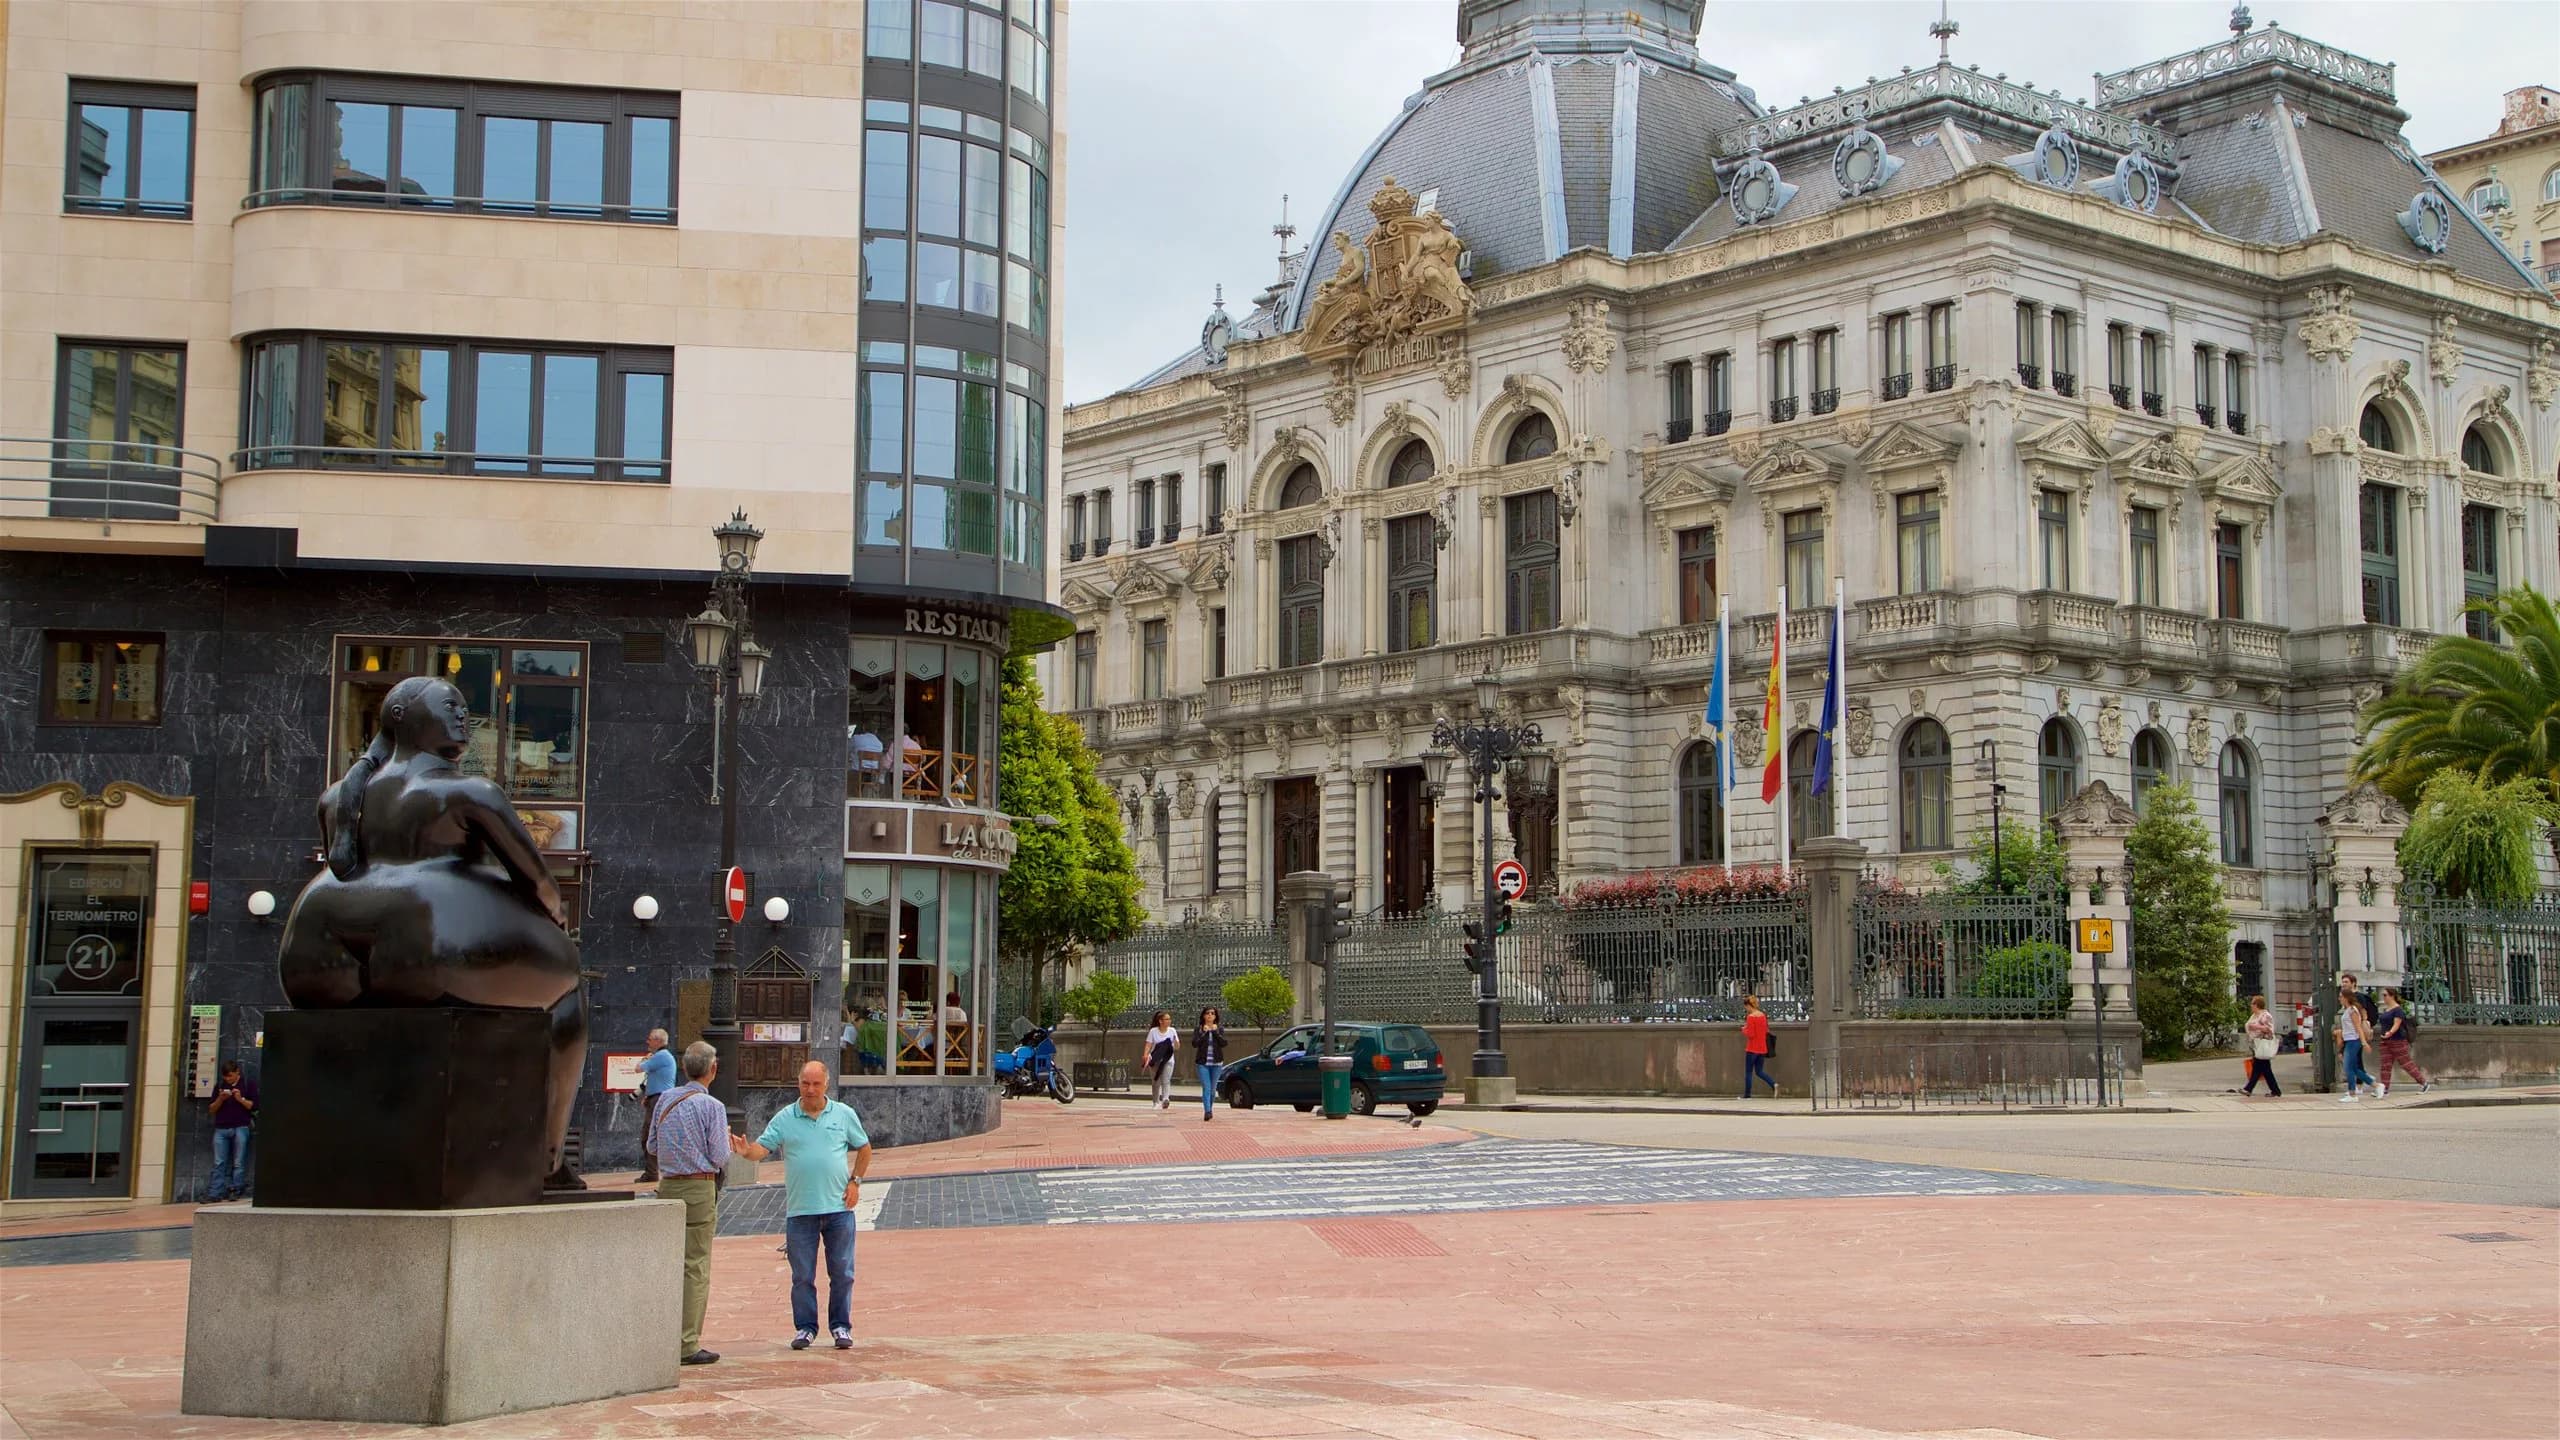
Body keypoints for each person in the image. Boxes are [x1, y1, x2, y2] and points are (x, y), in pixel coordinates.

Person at [731, 1061, 872, 1352]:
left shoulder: (844, 1114)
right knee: (802, 1276)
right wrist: (746, 1152)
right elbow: (762, 1147)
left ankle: (840, 1326)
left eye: (816, 1084)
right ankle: (806, 1328)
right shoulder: (785, 1117)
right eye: (805, 1084)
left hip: (838, 1209)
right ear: (798, 1084)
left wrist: (855, 1182)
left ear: (826, 1085)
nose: (810, 1090)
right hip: (801, 1211)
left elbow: (864, 1147)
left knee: (843, 1271)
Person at [650, 1041, 729, 1366]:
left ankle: (661, 1335)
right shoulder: (712, 1107)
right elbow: (720, 1156)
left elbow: (652, 1145)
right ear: (713, 1069)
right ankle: (686, 1343)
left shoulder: (665, 1100)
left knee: (668, 1261)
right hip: (699, 1188)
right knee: (695, 1265)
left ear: (683, 1069)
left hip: (667, 1186)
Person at [206, 1061, 258, 1202]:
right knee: (219, 1162)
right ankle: (215, 1192)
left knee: (238, 1161)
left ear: (237, 1072)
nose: (228, 1079)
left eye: (230, 1076)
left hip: (241, 1126)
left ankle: (236, 1189)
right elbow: (211, 1109)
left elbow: (253, 1106)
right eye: (225, 1077)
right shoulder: (220, 1086)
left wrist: (240, 1099)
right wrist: (220, 1099)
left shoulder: (248, 1084)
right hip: (221, 1128)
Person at [2371, 987, 2430, 1096]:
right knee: (2385, 1065)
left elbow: (2396, 1024)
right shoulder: (2387, 1009)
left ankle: (2423, 1083)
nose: (2383, 997)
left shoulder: (2398, 1010)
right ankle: (2384, 1089)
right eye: (2383, 995)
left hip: (2397, 1040)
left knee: (2406, 1063)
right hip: (2385, 1041)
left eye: (2385, 995)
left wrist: (2390, 1033)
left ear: (2392, 996)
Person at [635, 1028, 677, 1183]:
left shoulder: (660, 1056)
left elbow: (638, 1068)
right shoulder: (663, 1057)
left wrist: (646, 1058)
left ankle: (652, 1172)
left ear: (658, 1041)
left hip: (659, 1099)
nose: (647, 1041)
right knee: (652, 1135)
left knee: (649, 1135)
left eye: (650, 1039)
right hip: (657, 1098)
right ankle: (653, 1171)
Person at [2335, 976, 2376, 1102]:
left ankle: (2354, 1092)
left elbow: (2358, 1026)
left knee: (2350, 1067)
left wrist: (2364, 1042)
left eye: (2341, 997)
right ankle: (2373, 1085)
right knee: (2352, 1067)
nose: (2339, 999)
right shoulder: (2348, 1009)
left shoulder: (2353, 1009)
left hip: (2354, 1040)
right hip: (2350, 1040)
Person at [2240, 995, 2283, 1097]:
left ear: (2257, 1005)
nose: (2251, 1005)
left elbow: (2269, 1029)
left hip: (2263, 1044)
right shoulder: (2254, 1015)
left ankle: (2248, 1089)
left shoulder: (2265, 1015)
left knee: (2258, 1067)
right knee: (2265, 1069)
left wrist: (2255, 1027)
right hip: (2257, 1045)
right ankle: (2275, 1090)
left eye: (2252, 1003)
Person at [1191, 1007, 1229, 1121]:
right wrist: (1204, 1033)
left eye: (1212, 1013)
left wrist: (1215, 1032)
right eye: (1207, 1013)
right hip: (1203, 1063)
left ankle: (1210, 1109)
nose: (1210, 1015)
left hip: (1216, 1063)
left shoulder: (1219, 1029)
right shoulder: (1199, 1029)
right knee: (1206, 1088)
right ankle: (1207, 1111)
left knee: (1213, 1090)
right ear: (1203, 1016)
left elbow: (1223, 1043)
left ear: (1215, 1016)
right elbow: (1195, 1044)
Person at [1740, 995, 1777, 1098]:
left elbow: (1751, 1034)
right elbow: (1766, 1031)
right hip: (1762, 1048)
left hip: (1752, 1048)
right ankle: (1773, 1084)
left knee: (1748, 1072)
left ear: (1748, 1005)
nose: (1745, 1009)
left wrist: (1744, 1029)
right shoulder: (1762, 1016)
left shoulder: (1751, 1017)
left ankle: (1747, 1095)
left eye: (1745, 1006)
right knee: (1759, 1071)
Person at [1142, 1010, 1179, 1110]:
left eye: (1169, 1019)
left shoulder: (1172, 1031)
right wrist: (1145, 1055)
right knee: (1156, 1081)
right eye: (1166, 1019)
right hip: (1155, 1059)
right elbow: (1148, 1044)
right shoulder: (1153, 1031)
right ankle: (1155, 1101)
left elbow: (1177, 1047)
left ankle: (1165, 1099)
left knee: (1166, 1080)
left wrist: (1175, 1041)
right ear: (1160, 1021)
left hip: (1168, 1059)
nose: (1169, 1021)